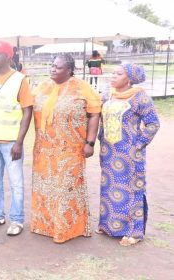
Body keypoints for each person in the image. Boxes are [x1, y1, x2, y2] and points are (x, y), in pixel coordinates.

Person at [30, 54, 101, 243]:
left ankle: (68, 229)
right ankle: (44, 225)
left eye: (58, 67)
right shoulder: (43, 86)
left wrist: (90, 142)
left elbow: (95, 113)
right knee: (45, 187)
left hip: (71, 149)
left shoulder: (81, 87)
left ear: (69, 70)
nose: (53, 69)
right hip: (44, 149)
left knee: (66, 188)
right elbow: (28, 107)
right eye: (52, 66)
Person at [97, 63, 160, 246]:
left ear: (129, 78)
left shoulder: (140, 97)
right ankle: (108, 226)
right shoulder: (107, 95)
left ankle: (134, 231)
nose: (113, 76)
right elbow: (96, 115)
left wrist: (138, 144)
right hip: (108, 153)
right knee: (109, 189)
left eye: (118, 73)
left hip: (130, 155)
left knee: (130, 190)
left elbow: (153, 124)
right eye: (113, 73)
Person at [0, 41, 33, 236]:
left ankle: (17, 220)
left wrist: (19, 142)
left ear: (8, 57)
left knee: (16, 181)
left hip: (11, 142)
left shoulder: (20, 80)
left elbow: (27, 112)